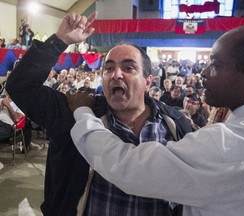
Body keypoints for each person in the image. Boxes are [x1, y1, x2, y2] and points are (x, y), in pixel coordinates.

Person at [69, 22, 244, 216]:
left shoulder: (224, 144)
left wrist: (82, 113)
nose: (204, 72)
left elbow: (126, 167)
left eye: (216, 65)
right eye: (109, 68)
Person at [6, 11, 192, 216]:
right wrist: (60, 40)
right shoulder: (74, 111)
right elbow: (21, 86)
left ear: (148, 81)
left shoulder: (174, 125)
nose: (116, 74)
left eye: (128, 68)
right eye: (108, 68)